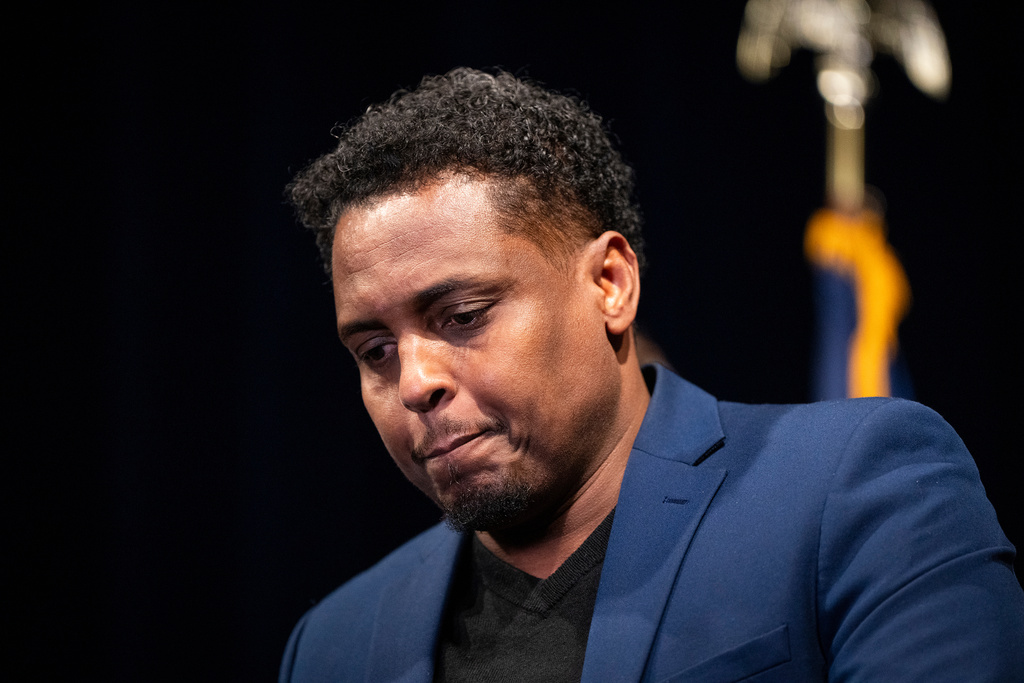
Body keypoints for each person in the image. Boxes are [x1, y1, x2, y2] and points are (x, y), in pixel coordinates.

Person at [279, 67, 1024, 682]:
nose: (414, 382)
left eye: (464, 315)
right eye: (375, 351)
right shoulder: (335, 644)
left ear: (610, 283)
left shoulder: (856, 490)